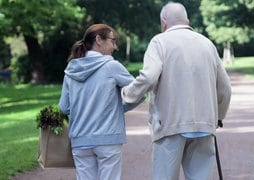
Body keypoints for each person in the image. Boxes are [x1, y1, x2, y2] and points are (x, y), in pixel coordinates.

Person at [121, 2, 231, 180]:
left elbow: (149, 77)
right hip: (204, 124)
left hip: (170, 124)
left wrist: (128, 94)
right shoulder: (207, 44)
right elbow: (225, 88)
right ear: (186, 20)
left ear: (164, 22)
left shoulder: (159, 42)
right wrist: (218, 116)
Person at [58, 24, 142, 180]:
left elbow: (64, 108)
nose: (115, 47)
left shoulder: (71, 69)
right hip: (108, 139)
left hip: (79, 140)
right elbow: (139, 92)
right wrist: (120, 108)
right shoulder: (112, 66)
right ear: (99, 40)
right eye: (113, 41)